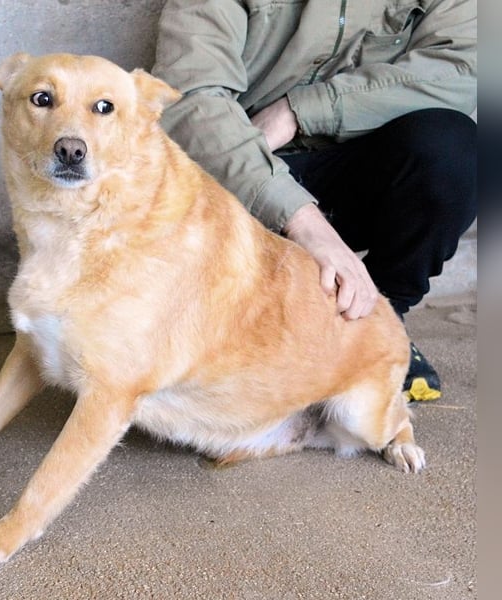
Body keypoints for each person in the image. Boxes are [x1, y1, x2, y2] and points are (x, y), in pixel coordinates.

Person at [152, 0, 477, 401]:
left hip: (353, 165)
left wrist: (297, 113)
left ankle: (380, 320)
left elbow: (463, 71)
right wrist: (303, 220)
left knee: (462, 151)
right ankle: (265, 333)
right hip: (237, 171)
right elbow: (189, 101)